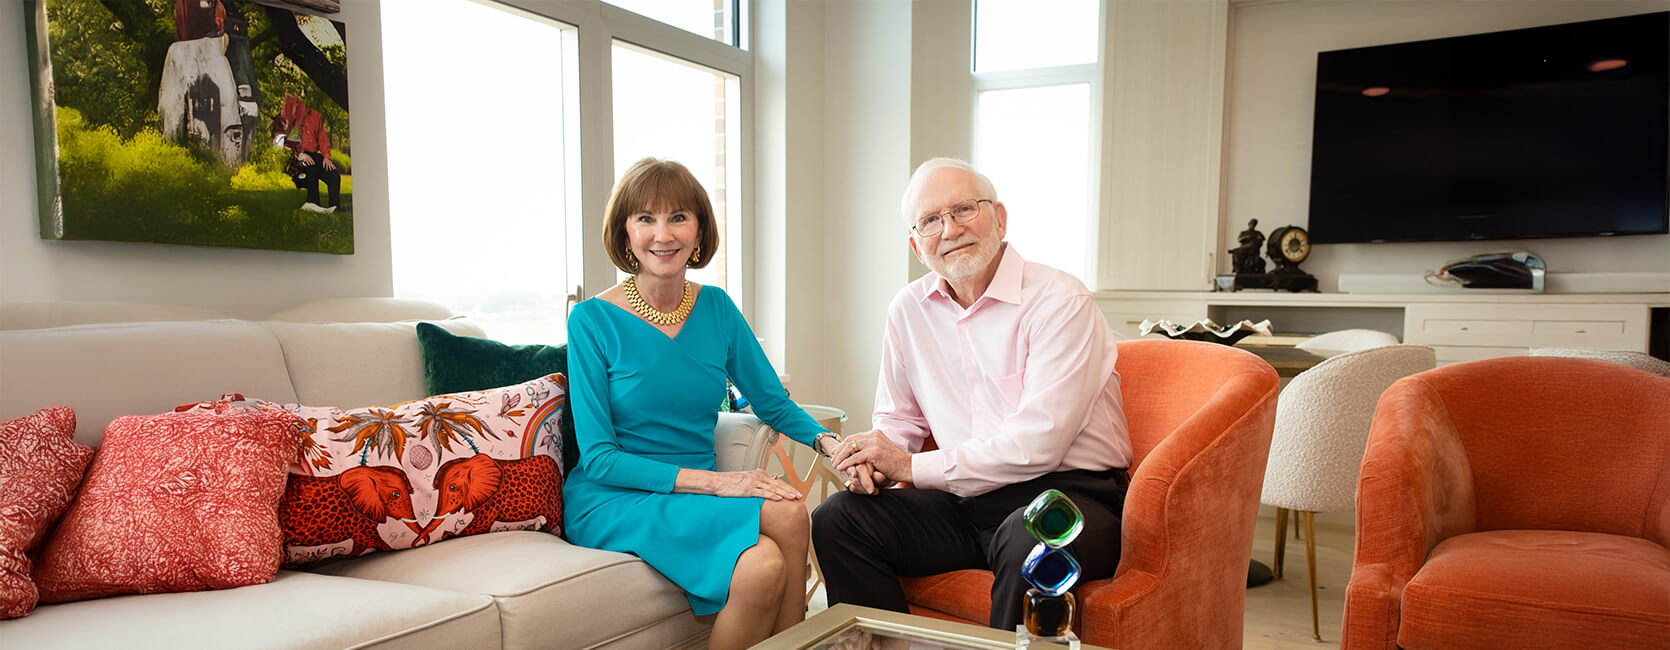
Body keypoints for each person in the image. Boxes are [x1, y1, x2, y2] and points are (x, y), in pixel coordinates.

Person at [811, 157, 1133, 631]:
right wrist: (874, 462)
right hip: (965, 504)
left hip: (1071, 498)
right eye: (931, 220)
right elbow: (898, 421)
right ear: (916, 245)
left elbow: (1038, 444)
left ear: (999, 219)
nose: (951, 229)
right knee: (839, 519)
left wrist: (908, 466)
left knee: (1031, 541)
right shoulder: (908, 310)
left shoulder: (1061, 301)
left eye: (964, 209)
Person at [564, 158, 846, 649]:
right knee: (764, 562)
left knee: (792, 514)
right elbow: (599, 457)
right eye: (645, 218)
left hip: (693, 489)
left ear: (698, 230)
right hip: (618, 495)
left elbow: (773, 404)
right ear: (625, 231)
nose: (662, 234)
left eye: (678, 217)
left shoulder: (716, 308)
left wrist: (830, 444)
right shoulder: (591, 321)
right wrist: (721, 484)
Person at [271, 93, 341, 213]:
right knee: (311, 167)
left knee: (333, 174)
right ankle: (313, 205)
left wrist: (326, 157)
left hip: (312, 154)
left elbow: (323, 139)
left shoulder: (314, 116)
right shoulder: (284, 118)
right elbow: (278, 142)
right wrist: (298, 155)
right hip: (293, 157)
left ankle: (334, 207)